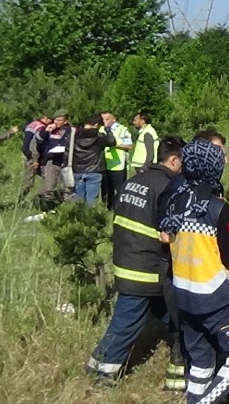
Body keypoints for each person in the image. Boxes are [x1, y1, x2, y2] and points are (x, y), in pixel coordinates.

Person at [87, 136, 187, 390]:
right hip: (145, 266)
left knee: (173, 316)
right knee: (127, 320)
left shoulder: (136, 180)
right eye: (182, 162)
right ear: (174, 159)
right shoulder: (168, 186)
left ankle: (184, 357)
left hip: (126, 258)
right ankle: (100, 368)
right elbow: (169, 232)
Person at [160, 141, 229, 404]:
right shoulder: (216, 207)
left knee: (200, 360)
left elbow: (166, 238)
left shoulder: (175, 200)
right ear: (212, 168)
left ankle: (195, 398)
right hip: (213, 296)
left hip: (183, 294)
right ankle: (207, 401)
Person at [71, 114, 117, 205]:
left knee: (79, 198)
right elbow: (112, 142)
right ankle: (90, 218)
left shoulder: (75, 135)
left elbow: (68, 151)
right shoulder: (99, 136)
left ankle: (78, 217)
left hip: (77, 170)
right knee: (92, 199)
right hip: (94, 170)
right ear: (96, 125)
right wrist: (107, 129)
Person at [34, 110, 73, 211]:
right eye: (55, 120)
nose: (56, 122)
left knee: (68, 187)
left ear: (65, 121)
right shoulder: (49, 129)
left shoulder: (72, 131)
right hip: (52, 160)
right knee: (49, 187)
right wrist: (46, 131)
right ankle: (48, 207)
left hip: (67, 162)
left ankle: (68, 208)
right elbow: (38, 139)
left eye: (59, 120)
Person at [101, 111, 133, 210]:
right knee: (106, 190)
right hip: (104, 163)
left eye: (107, 119)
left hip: (118, 165)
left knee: (119, 189)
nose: (104, 122)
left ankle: (120, 209)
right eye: (103, 119)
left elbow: (129, 145)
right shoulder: (101, 129)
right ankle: (107, 208)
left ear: (114, 119)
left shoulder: (122, 129)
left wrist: (114, 144)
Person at [21, 114, 50, 199]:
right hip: (35, 157)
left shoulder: (31, 125)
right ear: (45, 118)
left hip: (30, 156)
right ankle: (41, 197)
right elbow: (38, 143)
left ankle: (20, 200)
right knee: (48, 178)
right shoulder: (40, 127)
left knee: (27, 183)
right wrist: (34, 159)